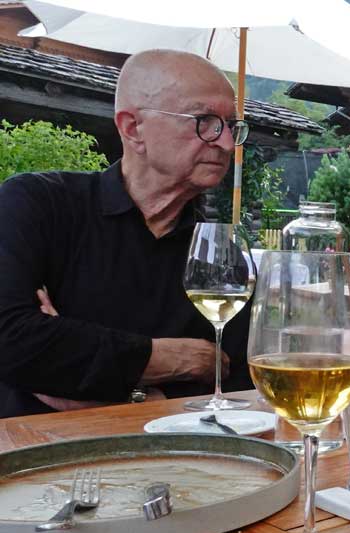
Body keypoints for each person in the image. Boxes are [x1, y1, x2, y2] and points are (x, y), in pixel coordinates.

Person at [0, 49, 254, 418]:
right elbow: (10, 340)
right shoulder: (39, 205)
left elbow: (237, 387)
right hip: (32, 446)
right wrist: (175, 358)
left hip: (173, 453)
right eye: (205, 121)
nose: (227, 143)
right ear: (133, 128)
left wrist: (93, 378)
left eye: (231, 125)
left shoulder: (220, 257)